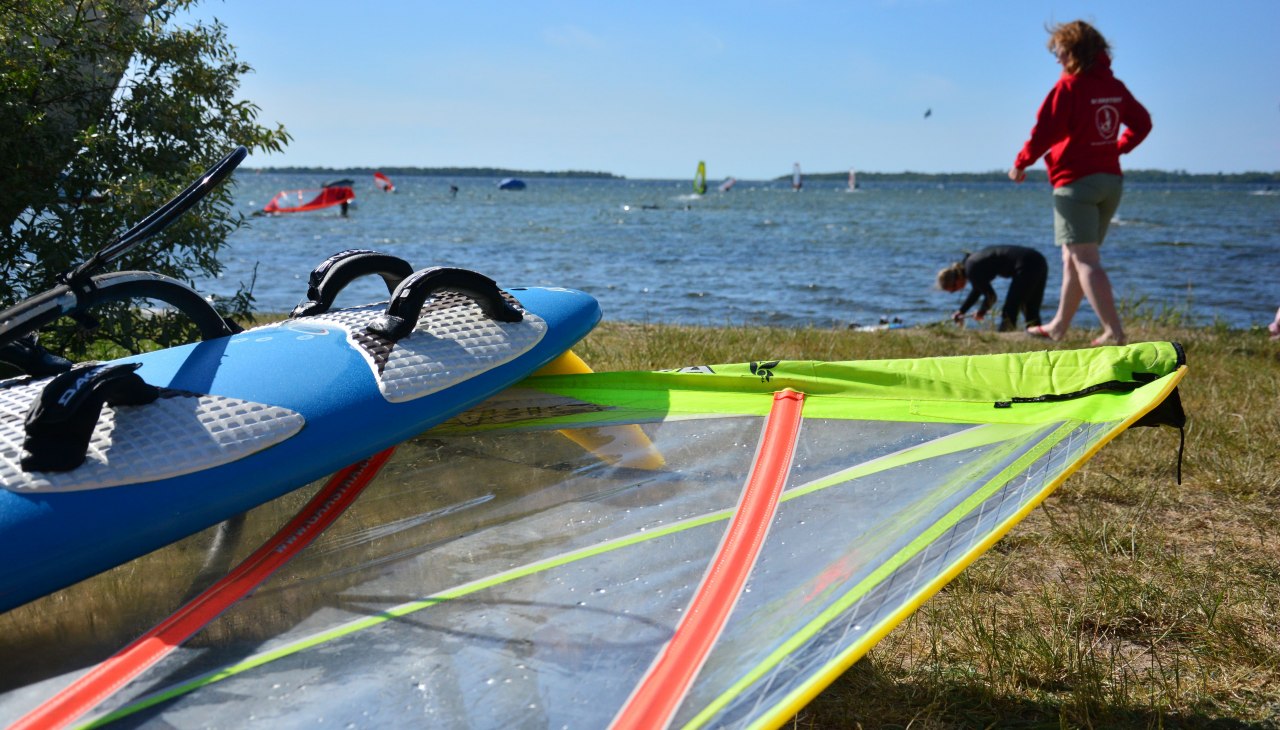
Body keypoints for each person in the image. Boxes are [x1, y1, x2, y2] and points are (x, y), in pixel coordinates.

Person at [1010, 20, 1151, 346]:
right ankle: (1058, 326)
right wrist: (1118, 147)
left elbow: (1044, 132)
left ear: (1074, 52)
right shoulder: (1114, 86)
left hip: (1075, 184)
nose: (1057, 59)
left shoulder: (1068, 89)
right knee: (1071, 256)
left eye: (1059, 52)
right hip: (1110, 182)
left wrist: (1020, 164)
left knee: (1085, 258)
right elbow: (1142, 123)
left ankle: (1114, 333)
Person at [936, 245, 1048, 332]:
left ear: (956, 281)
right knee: (1030, 309)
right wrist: (962, 311)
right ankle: (1040, 340)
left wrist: (982, 311)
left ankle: (1005, 343)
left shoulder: (971, 269)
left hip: (1027, 265)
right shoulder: (970, 264)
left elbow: (991, 296)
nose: (957, 291)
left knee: (1010, 311)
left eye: (954, 290)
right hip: (1037, 259)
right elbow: (977, 291)